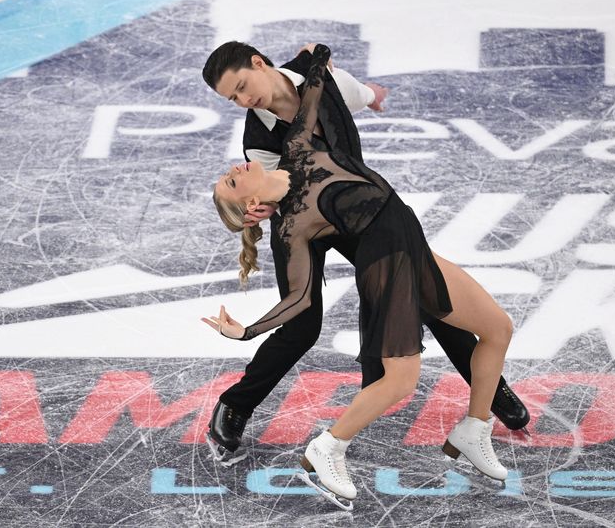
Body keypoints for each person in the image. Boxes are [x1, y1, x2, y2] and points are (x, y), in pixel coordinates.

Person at [203, 44, 516, 507]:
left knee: (469, 316)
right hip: (319, 224)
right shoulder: (263, 147)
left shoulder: (316, 99)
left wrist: (360, 88)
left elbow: (337, 92)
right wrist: (265, 209)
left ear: (260, 64)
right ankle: (248, 407)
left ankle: (482, 408)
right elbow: (276, 192)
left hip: (378, 222)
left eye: (242, 88)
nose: (243, 101)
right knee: (306, 327)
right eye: (232, 99)